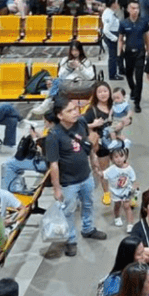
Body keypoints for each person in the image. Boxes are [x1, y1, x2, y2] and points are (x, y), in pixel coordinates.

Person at [47, 96, 108, 257]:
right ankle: (70, 239)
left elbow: (88, 145)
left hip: (86, 176)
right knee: (68, 211)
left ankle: (88, 229)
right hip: (68, 182)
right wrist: (57, 189)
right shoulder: (54, 136)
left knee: (88, 204)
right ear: (60, 115)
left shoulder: (80, 123)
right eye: (70, 111)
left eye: (75, 109)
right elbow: (53, 164)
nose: (75, 112)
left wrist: (94, 162)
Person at [118, 0, 149, 113]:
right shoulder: (123, 23)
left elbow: (147, 37)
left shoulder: (143, 22)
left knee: (139, 77)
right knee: (129, 74)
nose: (135, 10)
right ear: (128, 10)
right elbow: (120, 39)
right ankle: (133, 89)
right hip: (128, 52)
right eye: (132, 8)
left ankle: (137, 102)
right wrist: (119, 54)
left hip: (140, 52)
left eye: (137, 8)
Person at [102, 0, 122, 80]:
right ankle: (112, 74)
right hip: (111, 36)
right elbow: (106, 30)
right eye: (116, 2)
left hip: (114, 34)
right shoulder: (108, 14)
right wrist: (114, 38)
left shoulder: (111, 12)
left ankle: (118, 71)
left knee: (116, 55)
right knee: (112, 57)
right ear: (113, 4)